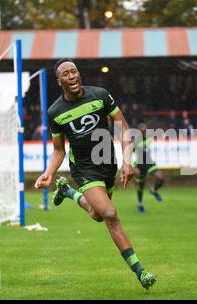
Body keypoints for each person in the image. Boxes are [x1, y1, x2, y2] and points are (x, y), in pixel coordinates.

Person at [34, 58, 156, 290]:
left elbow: (122, 125)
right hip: (83, 169)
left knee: (97, 214)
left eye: (75, 72)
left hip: (107, 165)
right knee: (110, 214)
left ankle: (67, 191)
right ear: (59, 81)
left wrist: (126, 161)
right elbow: (59, 150)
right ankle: (140, 272)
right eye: (66, 74)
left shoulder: (100, 95)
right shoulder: (55, 112)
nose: (72, 76)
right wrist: (49, 172)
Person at [132, 123, 164, 213]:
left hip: (149, 162)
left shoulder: (149, 137)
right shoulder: (135, 141)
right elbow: (130, 153)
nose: (144, 132)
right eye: (142, 131)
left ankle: (153, 190)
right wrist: (134, 167)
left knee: (161, 178)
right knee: (141, 186)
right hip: (139, 165)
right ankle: (140, 204)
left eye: (145, 130)